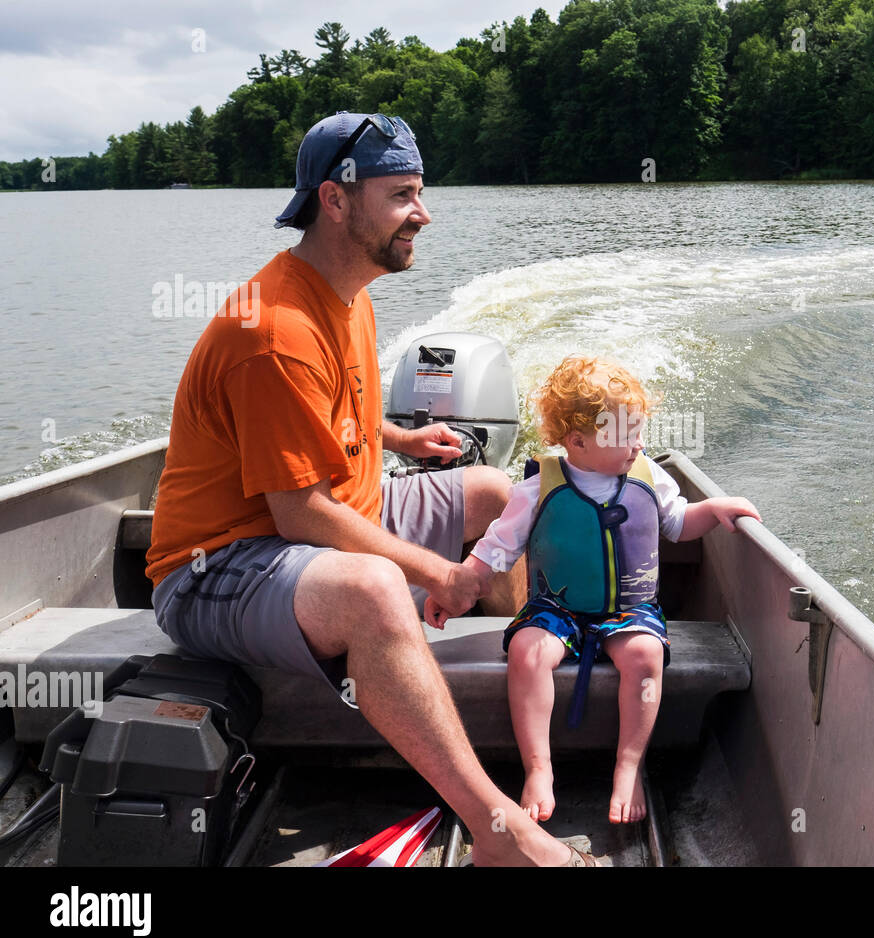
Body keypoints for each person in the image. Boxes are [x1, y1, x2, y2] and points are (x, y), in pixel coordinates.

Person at [144, 111, 592, 866]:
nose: (423, 213)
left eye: (420, 192)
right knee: (378, 589)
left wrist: (400, 439)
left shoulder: (349, 295)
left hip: (326, 518)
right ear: (337, 199)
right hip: (212, 569)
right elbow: (298, 513)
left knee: (496, 493)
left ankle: (509, 688)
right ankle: (499, 834)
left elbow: (336, 407)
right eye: (402, 195)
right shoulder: (275, 330)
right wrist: (439, 573)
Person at [461, 356, 762, 825]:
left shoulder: (648, 475)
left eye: (640, 431)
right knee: (526, 651)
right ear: (576, 441)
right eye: (625, 435)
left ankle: (629, 766)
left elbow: (679, 524)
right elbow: (498, 546)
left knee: (645, 656)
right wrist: (461, 583)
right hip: (554, 609)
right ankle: (538, 768)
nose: (639, 444)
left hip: (629, 610)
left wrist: (715, 509)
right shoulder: (538, 489)